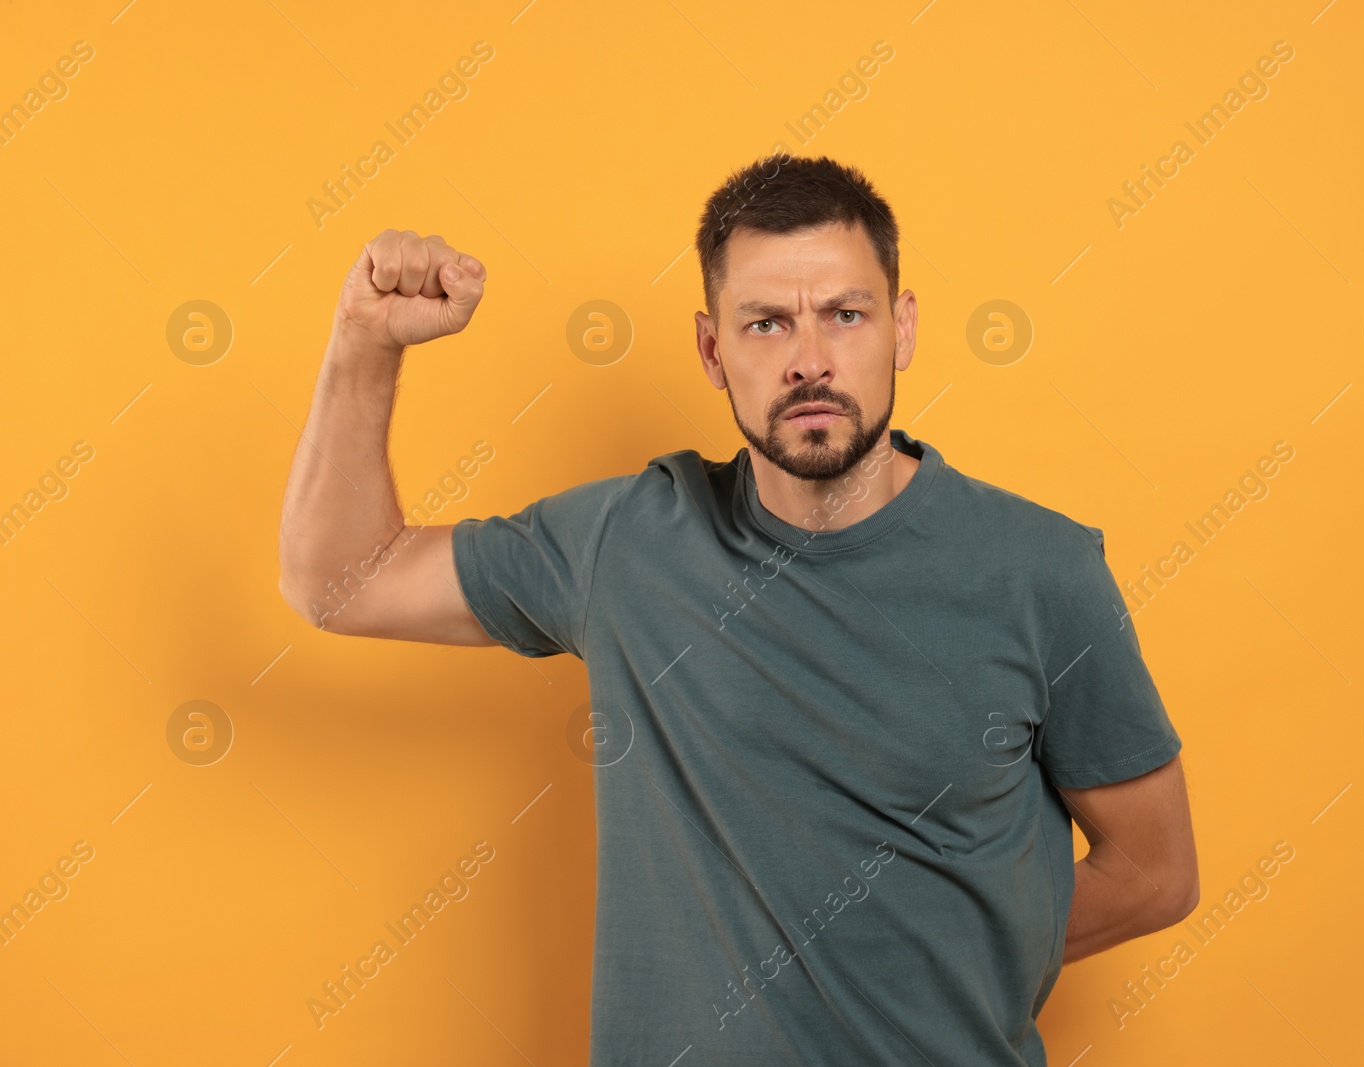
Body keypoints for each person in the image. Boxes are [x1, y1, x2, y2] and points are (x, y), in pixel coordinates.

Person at [277, 153, 1199, 1065]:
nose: (809, 362)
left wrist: (956, 953)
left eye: (846, 314)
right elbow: (338, 581)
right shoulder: (628, 542)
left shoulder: (1039, 569)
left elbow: (1156, 872)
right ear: (713, 350)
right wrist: (366, 339)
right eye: (765, 323)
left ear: (902, 329)